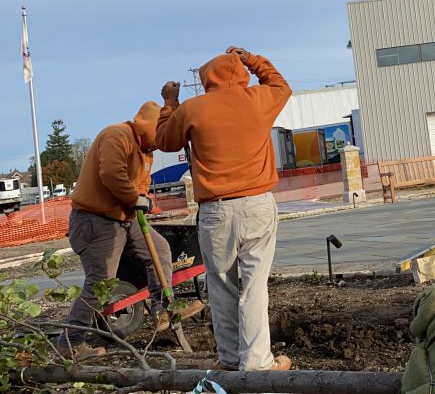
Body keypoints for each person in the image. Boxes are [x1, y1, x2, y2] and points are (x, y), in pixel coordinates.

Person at [156, 46, 292, 371]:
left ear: (207, 79)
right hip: (257, 206)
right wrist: (251, 59)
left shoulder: (193, 109)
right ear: (241, 74)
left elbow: (164, 140)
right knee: (254, 287)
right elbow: (281, 85)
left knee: (221, 287)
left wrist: (169, 102)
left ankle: (230, 361)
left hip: (216, 212)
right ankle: (258, 364)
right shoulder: (258, 99)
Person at [58, 101, 205, 359]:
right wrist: (134, 197)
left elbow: (141, 184)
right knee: (100, 282)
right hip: (95, 220)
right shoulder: (117, 135)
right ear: (149, 127)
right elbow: (112, 174)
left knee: (160, 249)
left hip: (124, 218)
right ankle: (70, 342)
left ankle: (163, 310)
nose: (160, 144)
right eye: (158, 136)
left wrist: (142, 196)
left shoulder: (145, 151)